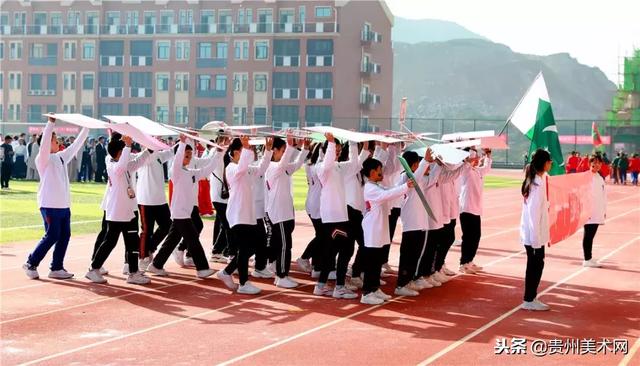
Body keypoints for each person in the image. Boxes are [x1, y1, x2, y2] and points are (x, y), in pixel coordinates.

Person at [22, 117, 89, 279]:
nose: (57, 141)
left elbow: (75, 146)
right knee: (52, 235)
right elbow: (44, 144)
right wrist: (50, 123)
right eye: (54, 139)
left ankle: (56, 267)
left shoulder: (60, 157)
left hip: (64, 205)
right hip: (49, 204)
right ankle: (31, 263)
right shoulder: (42, 159)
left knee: (64, 235)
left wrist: (87, 128)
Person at [147, 135, 221, 279]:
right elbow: (178, 159)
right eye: (186, 155)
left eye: (190, 155)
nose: (188, 158)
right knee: (193, 239)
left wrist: (219, 153)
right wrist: (181, 144)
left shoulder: (190, 172)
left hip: (183, 213)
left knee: (172, 240)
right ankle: (202, 268)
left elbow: (208, 169)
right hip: (180, 213)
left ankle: (156, 264)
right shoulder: (176, 172)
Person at [86, 135, 151, 285]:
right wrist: (127, 146)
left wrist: (150, 150)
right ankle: (94, 269)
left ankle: (133, 273)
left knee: (132, 242)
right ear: (119, 153)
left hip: (127, 211)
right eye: (123, 151)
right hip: (118, 211)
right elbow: (122, 166)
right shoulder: (113, 165)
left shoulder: (123, 165)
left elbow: (138, 162)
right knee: (110, 241)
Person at [216, 136, 273, 295]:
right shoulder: (231, 168)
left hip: (247, 214)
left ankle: (227, 272)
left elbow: (261, 169)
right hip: (238, 213)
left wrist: (267, 151)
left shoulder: (246, 168)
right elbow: (241, 169)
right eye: (244, 151)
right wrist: (247, 148)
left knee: (252, 246)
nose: (249, 153)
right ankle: (243, 283)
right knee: (244, 247)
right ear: (235, 153)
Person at [359, 157, 413, 305]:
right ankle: (367, 292)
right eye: (379, 170)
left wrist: (404, 185)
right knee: (372, 263)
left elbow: (389, 190)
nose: (382, 172)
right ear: (372, 172)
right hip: (372, 229)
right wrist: (405, 187)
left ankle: (374, 289)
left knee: (377, 262)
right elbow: (387, 195)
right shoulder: (370, 188)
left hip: (379, 228)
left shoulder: (376, 185)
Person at [313, 133, 360, 300]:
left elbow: (355, 164)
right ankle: (339, 287)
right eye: (335, 149)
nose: (338, 152)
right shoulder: (321, 168)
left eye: (340, 149)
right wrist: (331, 144)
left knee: (333, 251)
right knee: (345, 249)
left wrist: (354, 142)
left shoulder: (339, 167)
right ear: (325, 151)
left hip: (340, 215)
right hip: (332, 217)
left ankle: (321, 286)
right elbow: (327, 165)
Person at [264, 134, 309, 288]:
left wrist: (305, 149)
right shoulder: (271, 167)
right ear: (274, 151)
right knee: (284, 246)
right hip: (279, 213)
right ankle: (282, 275)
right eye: (282, 150)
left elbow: (296, 164)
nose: (285, 154)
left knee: (284, 245)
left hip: (286, 212)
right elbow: (283, 164)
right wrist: (291, 146)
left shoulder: (282, 168)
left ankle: (281, 274)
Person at [395, 148, 436, 296]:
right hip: (411, 224)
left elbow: (428, 177)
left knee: (415, 254)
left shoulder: (417, 178)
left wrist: (434, 164)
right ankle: (401, 284)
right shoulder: (406, 177)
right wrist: (426, 160)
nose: (421, 166)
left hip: (420, 223)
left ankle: (409, 280)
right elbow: (415, 177)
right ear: (412, 166)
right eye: (418, 163)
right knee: (408, 255)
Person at [519, 148, 552, 311]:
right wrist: (536, 242)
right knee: (535, 266)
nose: (551, 164)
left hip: (534, 235)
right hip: (533, 237)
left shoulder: (537, 179)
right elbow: (533, 215)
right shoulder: (536, 185)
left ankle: (531, 297)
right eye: (549, 161)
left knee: (536, 265)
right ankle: (529, 299)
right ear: (544, 163)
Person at [136, 147, 174, 268]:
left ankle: (150, 248)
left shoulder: (159, 155)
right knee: (147, 230)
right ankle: (142, 257)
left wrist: (184, 140)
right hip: (145, 200)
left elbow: (172, 151)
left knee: (167, 225)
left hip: (160, 200)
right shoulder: (143, 157)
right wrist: (149, 147)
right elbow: (147, 155)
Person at [459, 148, 492, 274]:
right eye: (475, 157)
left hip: (476, 209)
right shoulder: (466, 171)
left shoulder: (477, 171)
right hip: (466, 208)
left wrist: (488, 155)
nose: (478, 159)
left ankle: (469, 261)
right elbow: (466, 164)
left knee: (476, 236)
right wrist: (469, 155)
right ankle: (463, 263)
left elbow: (486, 168)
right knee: (468, 237)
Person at [296, 143, 323, 274]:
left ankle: (317, 266)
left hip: (313, 201)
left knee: (321, 234)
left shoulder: (310, 166)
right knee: (323, 235)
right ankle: (305, 257)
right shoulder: (317, 167)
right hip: (317, 204)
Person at [582, 154, 606, 268]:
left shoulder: (599, 177)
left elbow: (602, 195)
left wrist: (603, 210)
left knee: (591, 236)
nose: (596, 164)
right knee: (588, 235)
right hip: (589, 212)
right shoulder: (586, 176)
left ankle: (589, 257)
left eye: (598, 162)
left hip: (597, 211)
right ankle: (587, 259)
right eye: (594, 162)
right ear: (589, 163)